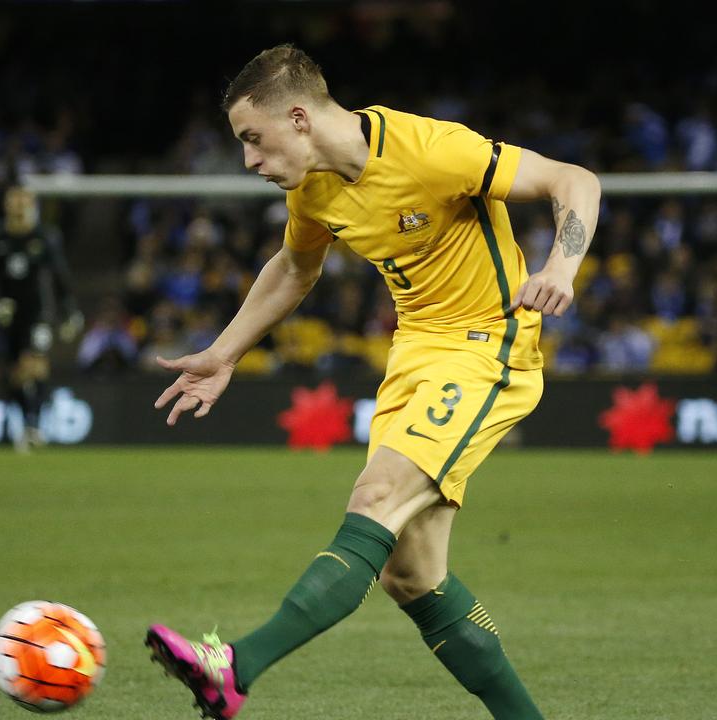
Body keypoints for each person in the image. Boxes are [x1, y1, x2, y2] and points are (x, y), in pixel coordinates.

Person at [146, 45, 600, 720]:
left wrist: (561, 268)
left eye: (253, 140)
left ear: (299, 118)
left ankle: (234, 664)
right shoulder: (314, 186)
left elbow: (575, 181)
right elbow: (295, 269)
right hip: (414, 353)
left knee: (377, 495)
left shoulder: (430, 150)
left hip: (488, 344)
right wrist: (225, 352)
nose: (250, 162)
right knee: (410, 573)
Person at [0, 187, 83, 451]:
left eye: (22, 201)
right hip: (8, 315)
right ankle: (27, 420)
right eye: (13, 200)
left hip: (38, 312)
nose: (17, 206)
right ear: (6, 205)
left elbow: (60, 275)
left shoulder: (44, 236)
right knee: (14, 373)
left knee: (36, 364)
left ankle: (33, 425)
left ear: (30, 205)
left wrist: (69, 310)